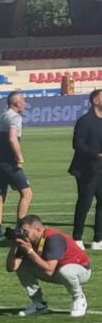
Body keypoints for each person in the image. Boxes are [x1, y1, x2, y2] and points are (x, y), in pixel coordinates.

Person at [8, 215, 90, 318]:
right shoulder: (28, 241)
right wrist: (14, 246)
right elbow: (12, 267)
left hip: (80, 270)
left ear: (38, 230)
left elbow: (49, 270)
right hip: (56, 270)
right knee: (22, 266)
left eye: (25, 232)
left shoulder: (53, 238)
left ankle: (79, 298)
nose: (24, 235)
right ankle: (39, 304)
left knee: (65, 271)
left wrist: (30, 251)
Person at [0, 92, 32, 242]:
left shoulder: (2, 116)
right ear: (16, 103)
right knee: (27, 193)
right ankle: (20, 229)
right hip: (9, 163)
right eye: (23, 101)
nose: (25, 104)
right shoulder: (15, 117)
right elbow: (12, 139)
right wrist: (19, 157)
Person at [69, 89, 102, 249]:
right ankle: (77, 237)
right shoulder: (85, 121)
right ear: (95, 101)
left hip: (101, 169)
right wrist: (96, 154)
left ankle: (98, 239)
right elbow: (77, 144)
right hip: (86, 170)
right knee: (85, 203)